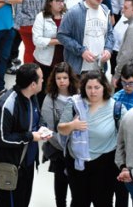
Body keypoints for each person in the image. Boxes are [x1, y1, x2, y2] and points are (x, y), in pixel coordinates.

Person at [59, 71, 125, 207]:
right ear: (83, 88)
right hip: (77, 163)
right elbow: (61, 128)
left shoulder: (116, 108)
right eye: (89, 87)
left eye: (97, 87)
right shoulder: (74, 104)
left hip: (105, 164)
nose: (93, 91)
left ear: (104, 87)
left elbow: (128, 133)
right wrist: (72, 125)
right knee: (79, 201)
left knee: (103, 201)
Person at [0, 64, 45, 207]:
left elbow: (37, 117)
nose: (43, 81)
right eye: (41, 79)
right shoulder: (6, 106)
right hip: (11, 167)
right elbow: (1, 138)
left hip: (28, 163)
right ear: (33, 84)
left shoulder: (32, 96)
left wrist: (42, 128)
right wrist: (30, 137)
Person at [57, 0, 116, 74]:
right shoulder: (74, 12)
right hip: (79, 68)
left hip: (99, 67)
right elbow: (62, 35)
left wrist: (108, 49)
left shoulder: (105, 9)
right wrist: (81, 51)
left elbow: (110, 33)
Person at [40, 62, 78, 207]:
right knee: (60, 183)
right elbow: (48, 129)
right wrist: (64, 147)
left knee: (77, 188)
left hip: (77, 150)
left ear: (70, 79)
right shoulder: (49, 99)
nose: (62, 81)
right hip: (59, 149)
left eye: (65, 77)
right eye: (58, 78)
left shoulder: (78, 96)